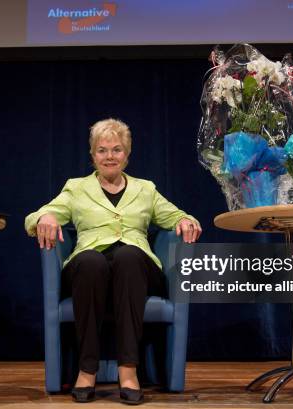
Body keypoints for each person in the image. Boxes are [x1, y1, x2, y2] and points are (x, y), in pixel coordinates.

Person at [25, 118, 201, 404]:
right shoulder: (76, 188)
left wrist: (186, 221)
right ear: (93, 155)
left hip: (136, 267)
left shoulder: (146, 189)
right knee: (91, 261)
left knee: (129, 256)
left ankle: (128, 371)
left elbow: (176, 215)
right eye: (102, 150)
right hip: (88, 267)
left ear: (127, 155)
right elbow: (34, 217)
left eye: (116, 150)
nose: (109, 156)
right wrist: (45, 217)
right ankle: (87, 369)